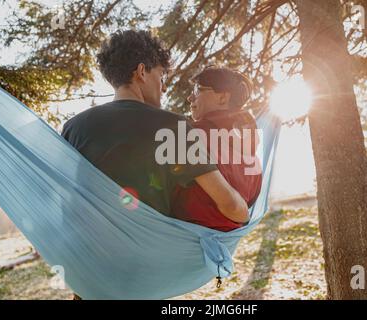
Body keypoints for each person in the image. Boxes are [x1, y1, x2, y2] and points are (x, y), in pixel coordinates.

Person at [61, 30, 249, 299]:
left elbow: (68, 203)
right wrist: (247, 213)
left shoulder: (74, 128)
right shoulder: (172, 127)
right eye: (162, 76)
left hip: (88, 273)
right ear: (141, 72)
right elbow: (228, 203)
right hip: (144, 275)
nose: (164, 86)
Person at [171, 67, 262, 232]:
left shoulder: (192, 135)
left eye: (198, 90)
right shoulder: (254, 158)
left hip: (184, 238)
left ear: (222, 97)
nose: (190, 97)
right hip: (224, 244)